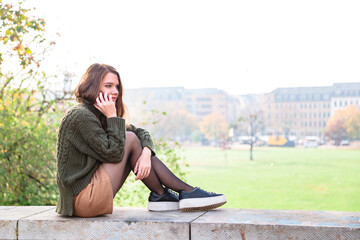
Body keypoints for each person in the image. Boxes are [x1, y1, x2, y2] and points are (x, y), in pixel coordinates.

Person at [56, 63, 226, 217]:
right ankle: (180, 191)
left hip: (88, 196)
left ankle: (162, 195)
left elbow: (140, 132)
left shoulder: (97, 114)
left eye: (117, 86)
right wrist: (112, 117)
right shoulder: (80, 115)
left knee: (132, 138)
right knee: (129, 139)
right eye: (108, 86)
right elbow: (114, 153)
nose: (115, 91)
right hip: (81, 200)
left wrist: (145, 153)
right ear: (92, 86)